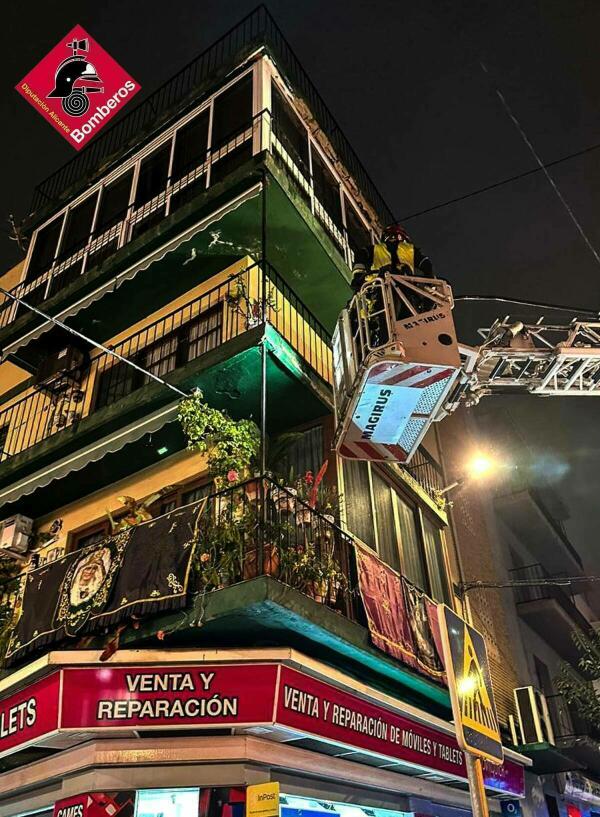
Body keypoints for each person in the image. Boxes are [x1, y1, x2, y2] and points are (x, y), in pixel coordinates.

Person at [350, 224, 434, 293]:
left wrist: (358, 277)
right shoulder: (410, 249)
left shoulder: (374, 249)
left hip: (377, 286)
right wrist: (430, 281)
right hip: (405, 289)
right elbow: (426, 264)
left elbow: (360, 255)